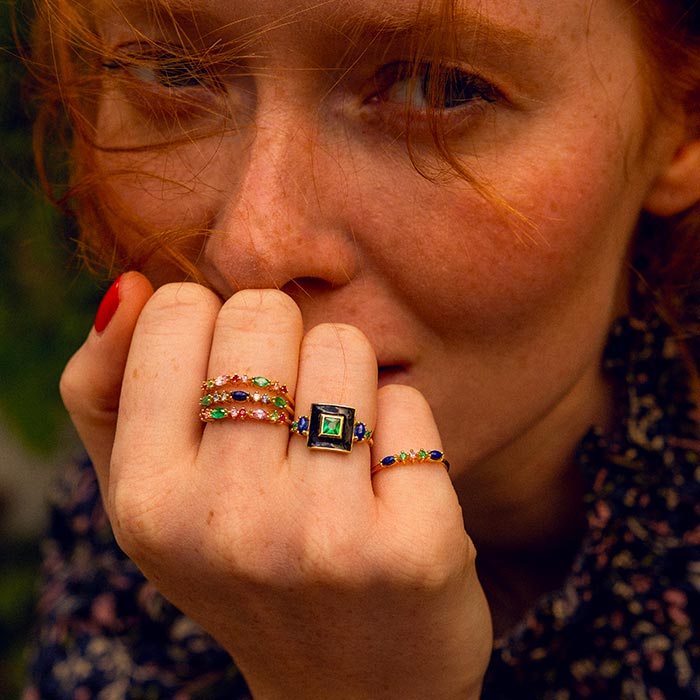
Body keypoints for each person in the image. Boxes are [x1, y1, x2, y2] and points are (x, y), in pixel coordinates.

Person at [22, 0, 700, 697]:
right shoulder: (148, 505)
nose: (254, 247)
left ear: (684, 121)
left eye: (440, 90)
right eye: (173, 72)